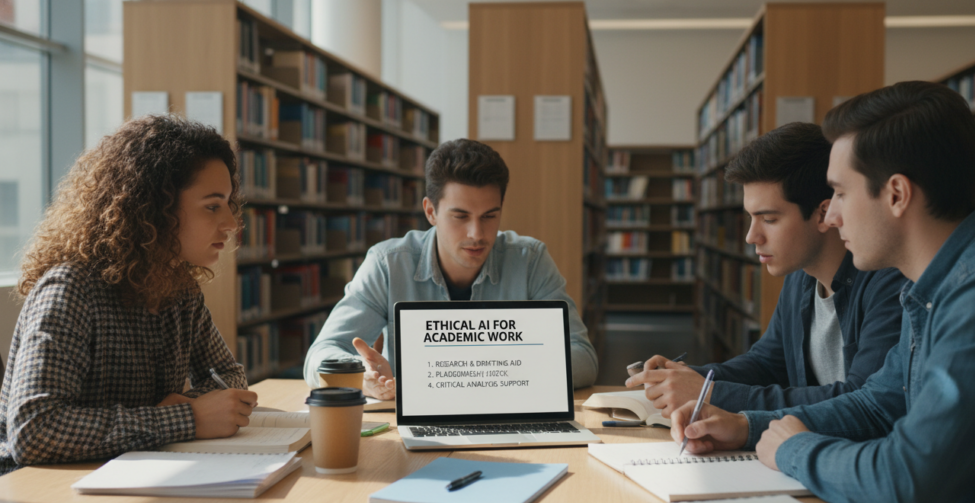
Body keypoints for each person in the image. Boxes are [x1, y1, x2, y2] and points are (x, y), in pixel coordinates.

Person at [671, 81, 975, 503]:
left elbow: (910, 480)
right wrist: (748, 426)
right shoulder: (935, 284)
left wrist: (795, 450)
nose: (830, 216)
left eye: (838, 193)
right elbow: (877, 403)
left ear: (896, 194)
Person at [0, 115, 257, 476]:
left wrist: (182, 412)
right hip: (41, 494)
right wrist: (184, 419)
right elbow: (34, 430)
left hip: (134, 476)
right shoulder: (70, 290)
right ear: (155, 208)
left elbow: (228, 376)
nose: (231, 223)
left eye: (229, 204)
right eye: (213, 205)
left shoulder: (180, 290)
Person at [627, 123, 905, 416]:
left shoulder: (890, 283)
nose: (751, 237)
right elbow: (767, 363)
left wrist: (710, 392)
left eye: (769, 219)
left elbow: (863, 401)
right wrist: (687, 377)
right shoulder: (801, 276)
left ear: (824, 213)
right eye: (750, 218)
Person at [304, 139, 598, 397]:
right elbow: (320, 355)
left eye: (489, 216)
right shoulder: (387, 264)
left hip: (505, 411)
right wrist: (362, 378)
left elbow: (583, 357)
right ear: (431, 211)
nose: (477, 234)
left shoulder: (530, 260)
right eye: (460, 216)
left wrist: (480, 373)